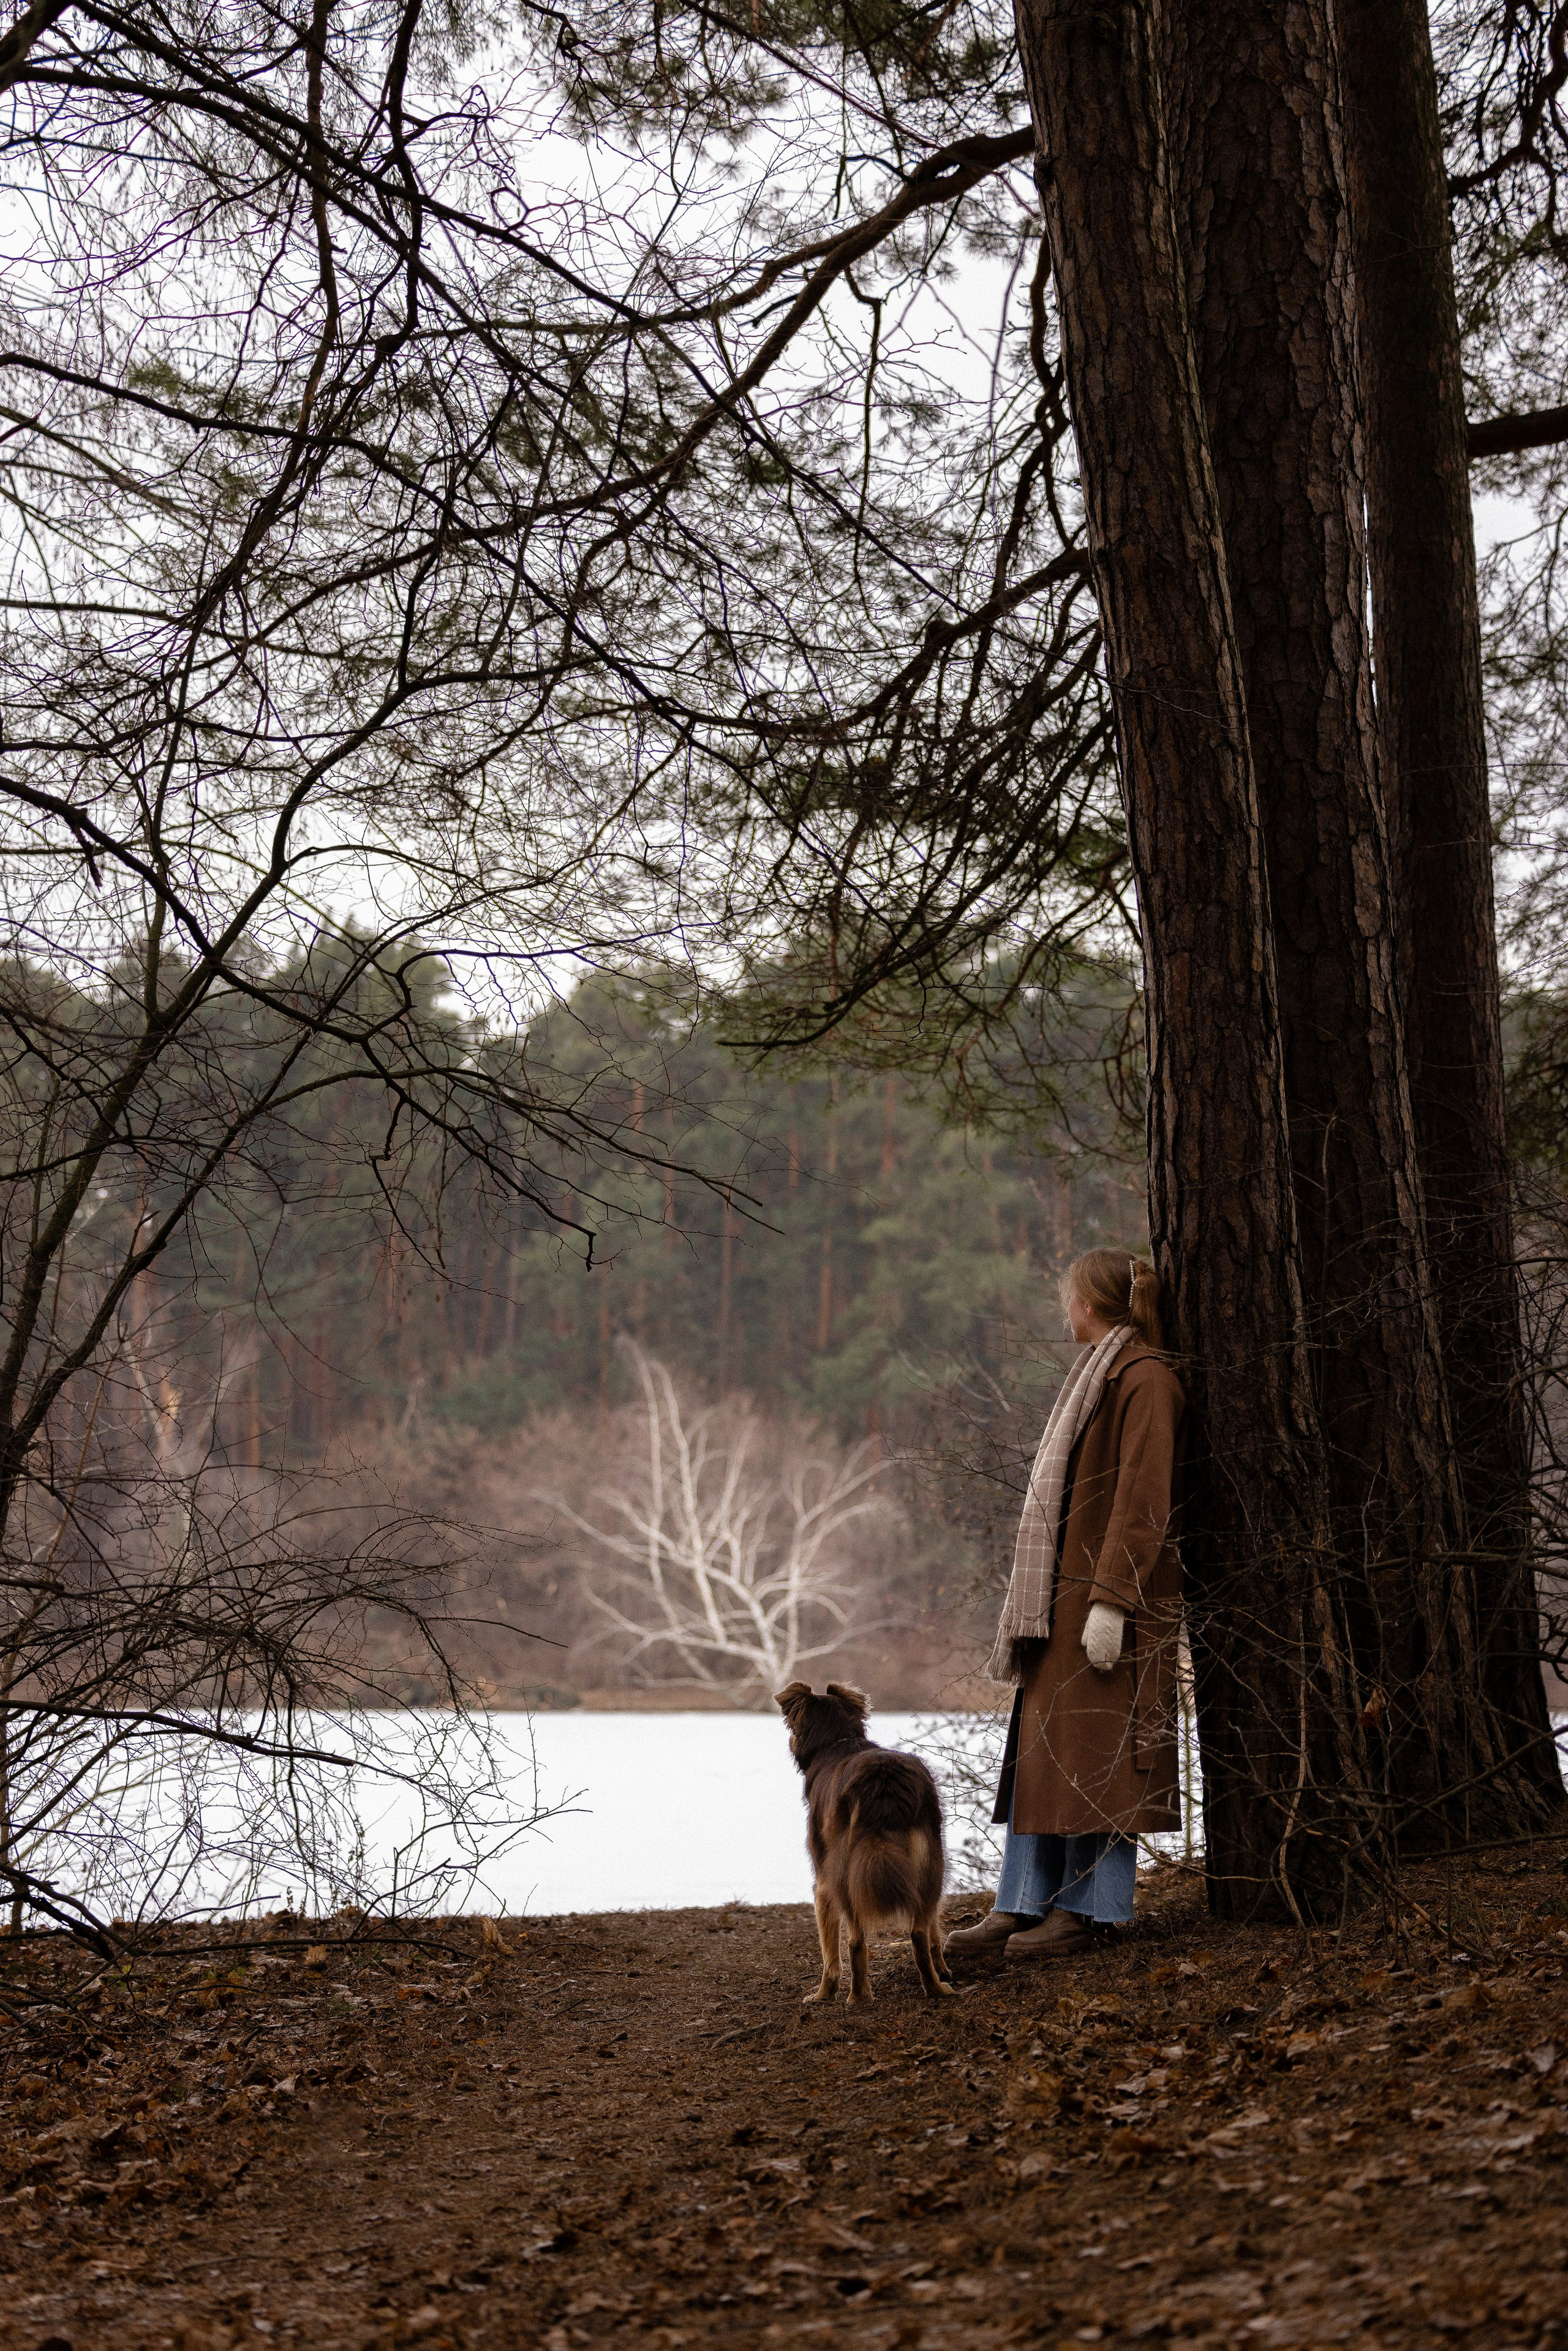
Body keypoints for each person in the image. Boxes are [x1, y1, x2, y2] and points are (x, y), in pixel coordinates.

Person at [948, 1248, 1185, 1961]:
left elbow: (1143, 1501)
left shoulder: (1145, 1379)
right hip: (1063, 1599)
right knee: (1045, 1756)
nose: (1064, 1308)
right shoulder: (1099, 1373)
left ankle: (1092, 1914)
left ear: (1091, 1303)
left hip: (1110, 1602)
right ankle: (1020, 1904)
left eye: (1068, 1296)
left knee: (1098, 1761)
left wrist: (1112, 1602)